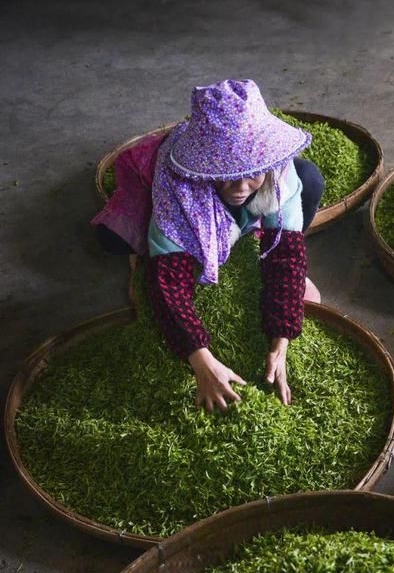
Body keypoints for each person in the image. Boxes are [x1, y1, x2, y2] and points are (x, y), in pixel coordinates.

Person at [92, 79, 325, 408]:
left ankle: (241, 232)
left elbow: (286, 258)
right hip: (181, 200)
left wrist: (281, 338)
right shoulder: (179, 191)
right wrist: (201, 361)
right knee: (113, 238)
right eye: (227, 173)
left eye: (251, 173)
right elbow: (169, 284)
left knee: (311, 180)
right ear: (205, 167)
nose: (241, 186)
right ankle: (169, 246)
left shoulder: (276, 172)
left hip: (249, 206)